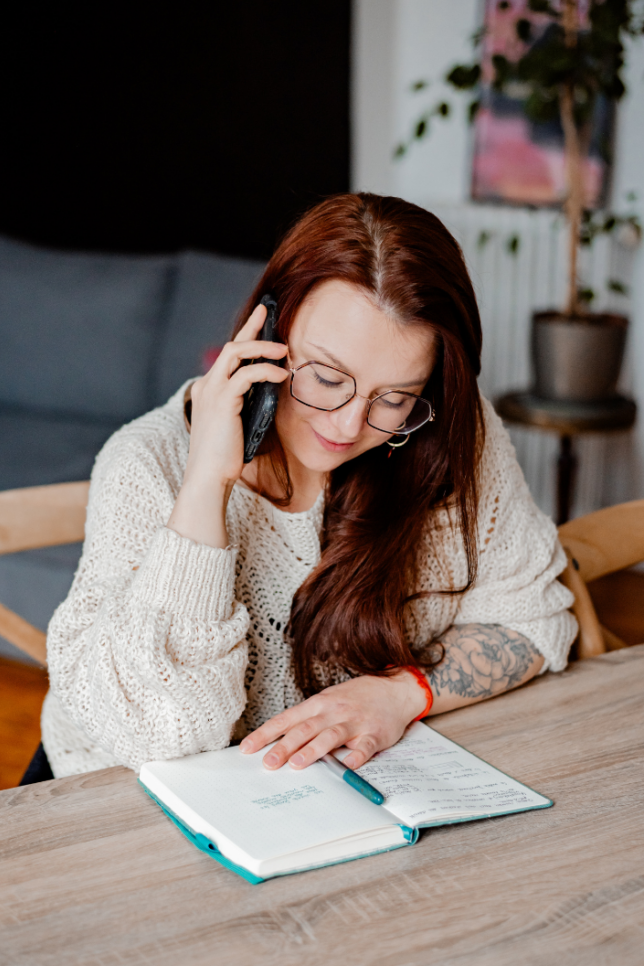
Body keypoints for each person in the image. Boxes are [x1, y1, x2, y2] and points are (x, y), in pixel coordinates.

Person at [35, 193, 576, 783]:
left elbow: (533, 621)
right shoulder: (148, 464)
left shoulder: (446, 433)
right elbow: (160, 736)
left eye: (393, 398)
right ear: (268, 328)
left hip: (329, 797)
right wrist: (206, 488)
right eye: (324, 376)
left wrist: (399, 695)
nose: (347, 427)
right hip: (122, 804)